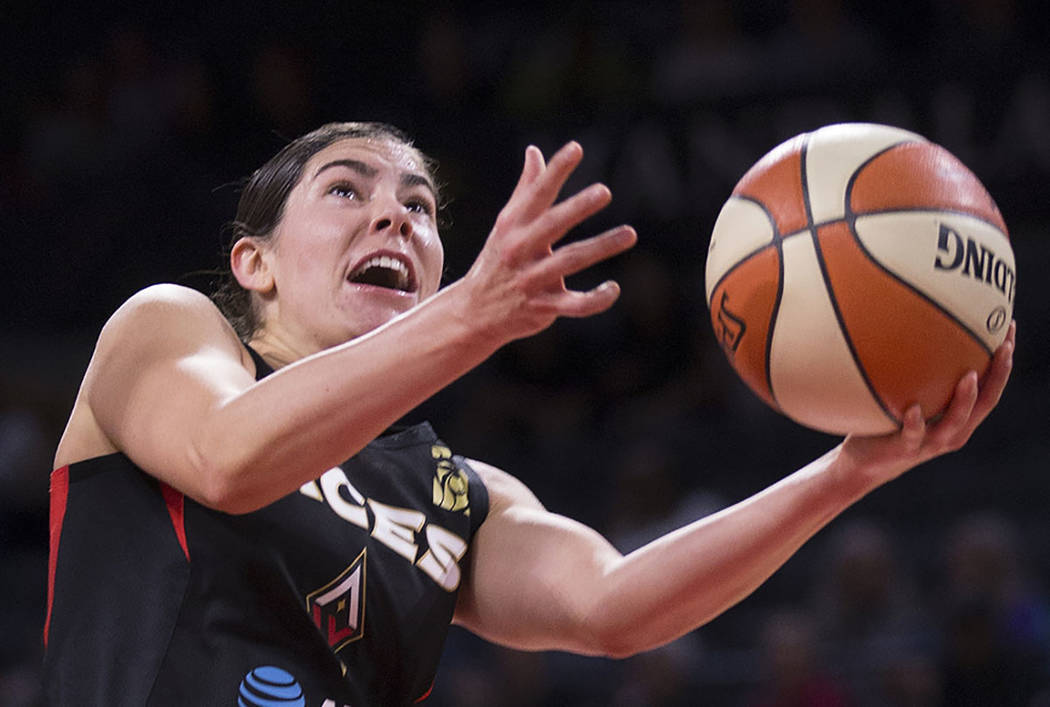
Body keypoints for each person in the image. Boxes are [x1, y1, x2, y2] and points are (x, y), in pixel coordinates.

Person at [43, 121, 1015, 706]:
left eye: (421, 209)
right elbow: (224, 459)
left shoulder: (457, 491)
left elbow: (615, 605)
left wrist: (852, 470)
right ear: (253, 263)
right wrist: (470, 317)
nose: (396, 218)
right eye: (348, 189)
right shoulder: (169, 330)